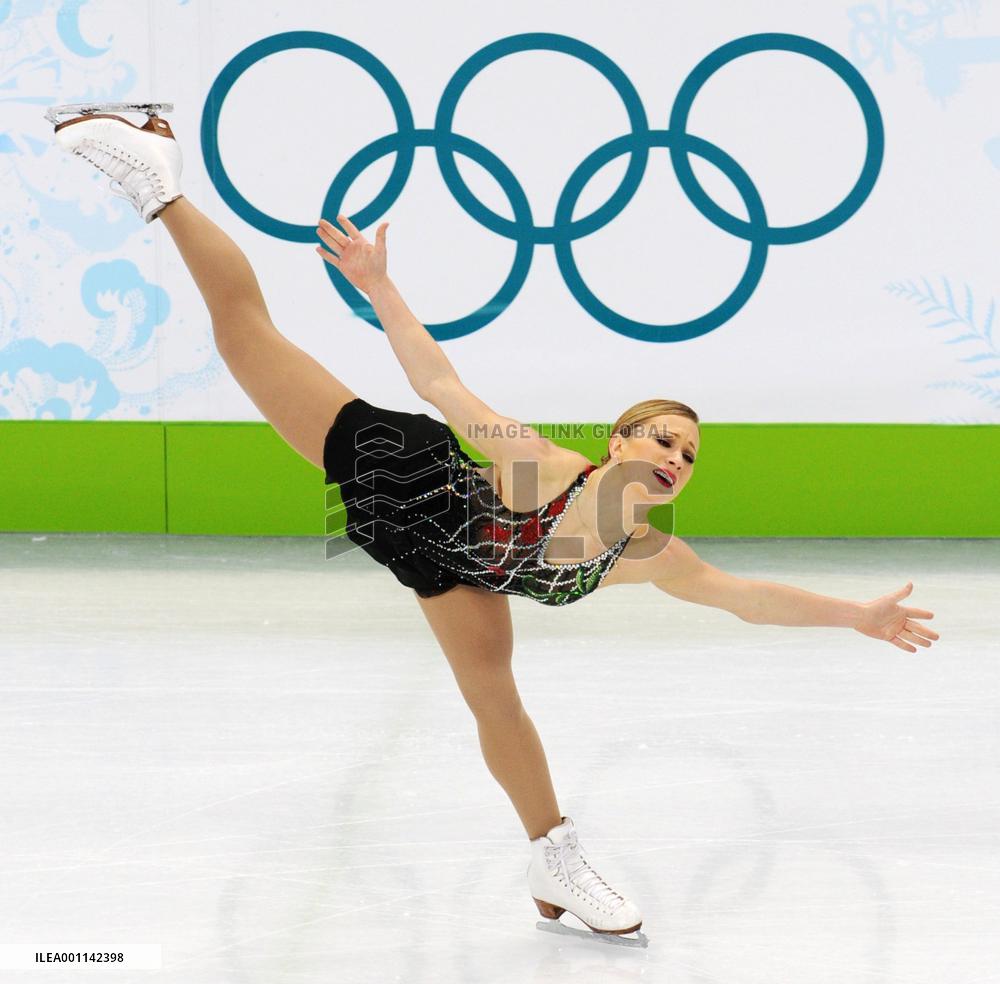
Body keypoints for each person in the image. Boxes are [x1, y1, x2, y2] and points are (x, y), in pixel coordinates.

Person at [47, 103, 940, 944]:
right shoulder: (541, 467)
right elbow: (437, 383)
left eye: (691, 456)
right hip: (401, 476)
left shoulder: (646, 551)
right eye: (664, 438)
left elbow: (746, 598)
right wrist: (377, 287)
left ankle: (554, 864)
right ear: (620, 442)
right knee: (244, 334)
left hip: (451, 567)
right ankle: (155, 174)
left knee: (494, 697)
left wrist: (856, 616)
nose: (677, 457)